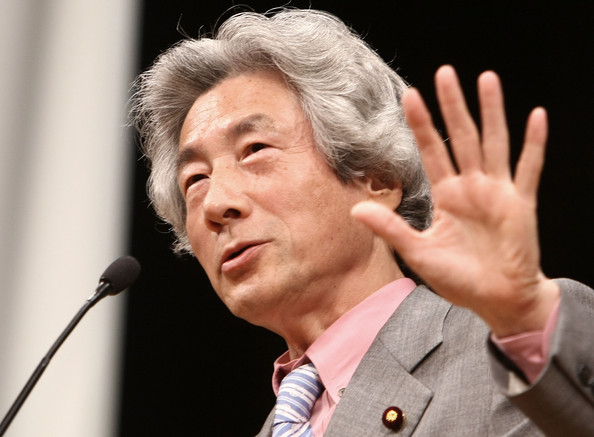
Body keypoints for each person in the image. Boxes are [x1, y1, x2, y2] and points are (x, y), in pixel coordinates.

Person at [131, 8, 594, 436]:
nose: (216, 203)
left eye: (254, 150)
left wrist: (528, 323)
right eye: (195, 179)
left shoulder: (514, 351)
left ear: (377, 177)